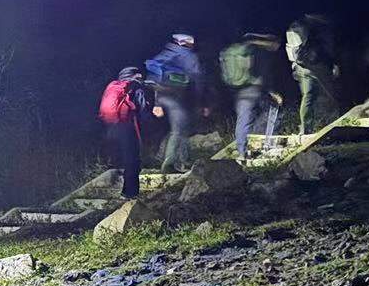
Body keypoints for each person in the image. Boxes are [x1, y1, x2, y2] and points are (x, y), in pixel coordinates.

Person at [146, 32, 208, 173]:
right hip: (177, 98)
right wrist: (202, 102)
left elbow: (156, 81)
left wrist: (157, 103)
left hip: (163, 96)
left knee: (182, 127)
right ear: (186, 43)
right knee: (179, 130)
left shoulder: (165, 54)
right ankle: (170, 164)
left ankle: (184, 160)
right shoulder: (188, 55)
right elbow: (198, 79)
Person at [220, 33, 285, 160]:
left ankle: (242, 151)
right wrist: (272, 92)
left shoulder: (242, 49)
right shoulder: (259, 52)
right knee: (273, 112)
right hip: (255, 89)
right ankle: (266, 144)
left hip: (239, 91)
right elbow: (262, 75)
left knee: (243, 119)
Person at [98, 67, 151, 199]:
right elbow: (142, 109)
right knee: (133, 159)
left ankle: (113, 168)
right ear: (134, 76)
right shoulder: (135, 87)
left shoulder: (113, 86)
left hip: (111, 125)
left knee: (122, 156)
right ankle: (129, 193)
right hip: (128, 125)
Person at [285, 14, 341, 136]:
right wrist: (334, 64)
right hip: (318, 68)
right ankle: (335, 127)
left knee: (308, 97)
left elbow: (292, 49)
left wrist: (294, 65)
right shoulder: (320, 30)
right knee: (331, 96)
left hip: (302, 68)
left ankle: (305, 129)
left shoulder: (294, 27)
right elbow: (327, 50)